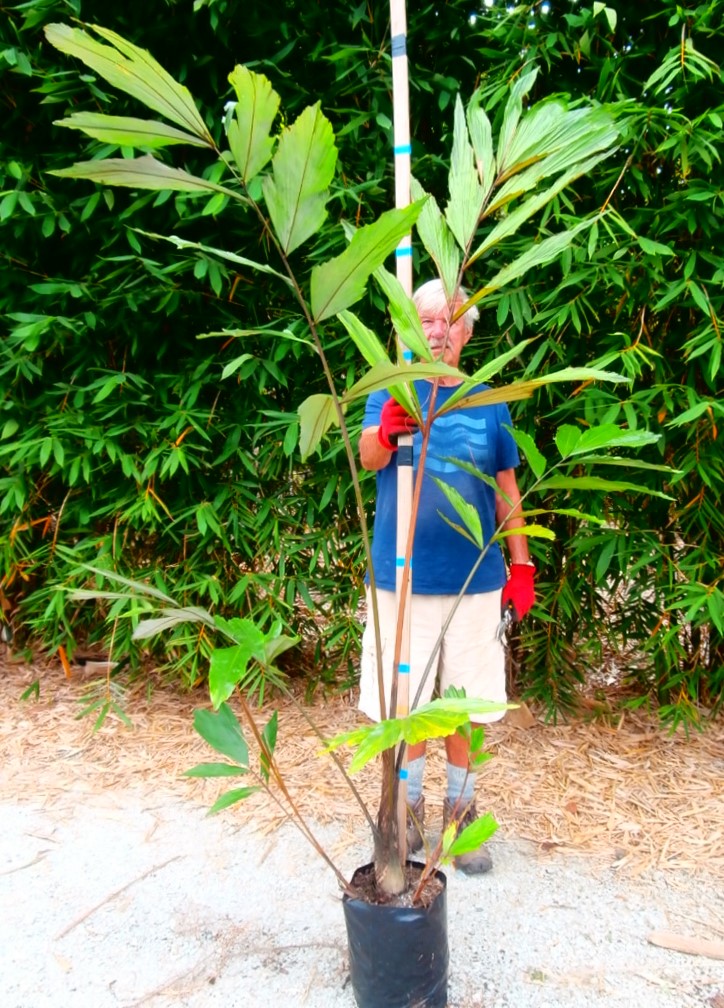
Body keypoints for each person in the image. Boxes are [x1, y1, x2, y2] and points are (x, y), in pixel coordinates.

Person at [358, 278, 535, 874]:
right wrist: (385, 428)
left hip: (474, 584)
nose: (437, 330)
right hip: (399, 582)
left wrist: (522, 565)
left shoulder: (489, 400)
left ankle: (459, 821)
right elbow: (367, 457)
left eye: (450, 321)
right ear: (411, 326)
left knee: (462, 708)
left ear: (466, 334)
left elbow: (507, 493)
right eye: (426, 319)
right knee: (404, 706)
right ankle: (403, 818)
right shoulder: (393, 391)